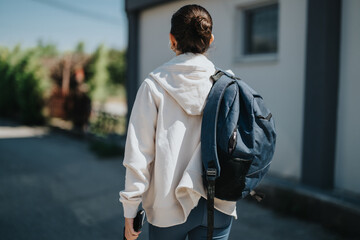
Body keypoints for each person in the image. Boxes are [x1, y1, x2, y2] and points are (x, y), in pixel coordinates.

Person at [120, 4, 236, 240]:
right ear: (210, 39)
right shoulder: (227, 84)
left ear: (172, 40)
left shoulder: (154, 85)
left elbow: (139, 155)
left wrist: (131, 208)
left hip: (168, 210)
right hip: (219, 204)